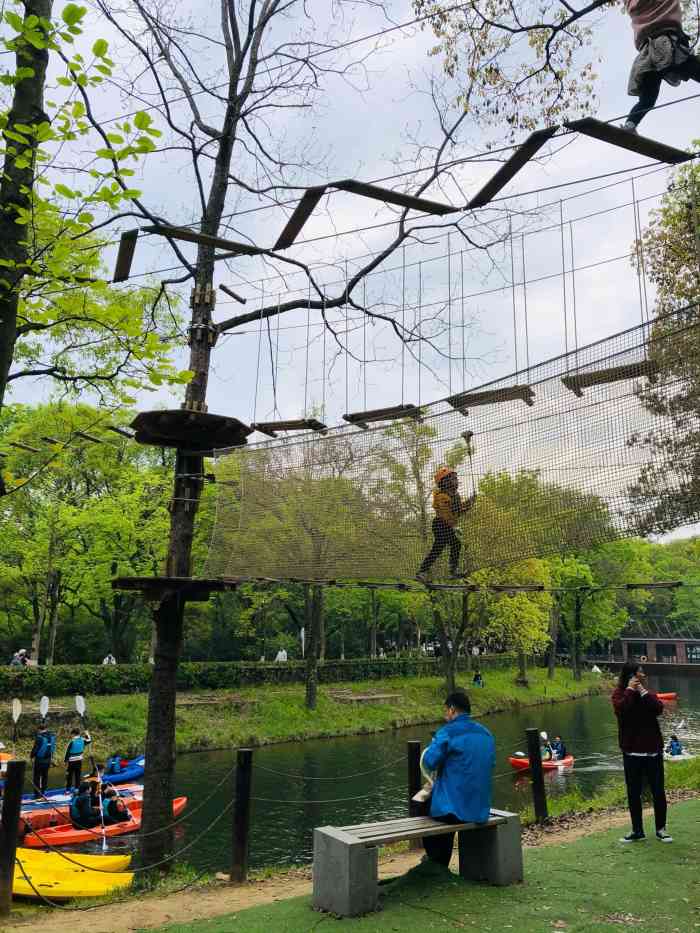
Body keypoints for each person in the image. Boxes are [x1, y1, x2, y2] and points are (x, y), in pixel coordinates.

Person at [420, 690, 495, 866]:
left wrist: (433, 745)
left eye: (445, 710)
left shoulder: (447, 732)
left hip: (454, 811)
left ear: (452, 710)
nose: (445, 715)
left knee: (422, 805)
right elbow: (490, 764)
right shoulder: (486, 734)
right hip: (479, 810)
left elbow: (429, 762)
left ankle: (436, 861)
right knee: (448, 801)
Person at [612, 662, 672, 843]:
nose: (643, 675)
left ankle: (661, 829)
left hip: (653, 750)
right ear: (631, 675)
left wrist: (643, 692)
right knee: (633, 793)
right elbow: (622, 711)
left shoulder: (648, 694)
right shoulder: (619, 695)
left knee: (658, 792)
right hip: (631, 752)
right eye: (640, 672)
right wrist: (630, 691)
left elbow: (658, 708)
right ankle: (637, 830)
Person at [622, 0, 700, 132]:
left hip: (648, 55)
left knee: (647, 100)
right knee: (693, 69)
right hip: (670, 46)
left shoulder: (631, 4)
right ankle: (630, 125)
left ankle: (630, 124)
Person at [417, 468, 476, 581]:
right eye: (453, 479)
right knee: (452, 545)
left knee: (442, 548)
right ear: (445, 482)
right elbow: (449, 513)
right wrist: (454, 525)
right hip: (440, 525)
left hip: (446, 526)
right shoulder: (442, 496)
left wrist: (470, 503)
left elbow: (458, 511)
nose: (456, 481)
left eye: (456, 478)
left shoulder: (454, 495)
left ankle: (424, 571)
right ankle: (448, 571)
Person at [30, 726, 55, 797]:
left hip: (39, 761)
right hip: (48, 760)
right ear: (46, 729)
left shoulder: (39, 738)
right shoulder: (52, 736)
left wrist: (31, 756)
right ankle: (43, 791)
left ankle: (37, 794)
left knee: (37, 777)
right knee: (45, 776)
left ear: (39, 729)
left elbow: (35, 749)